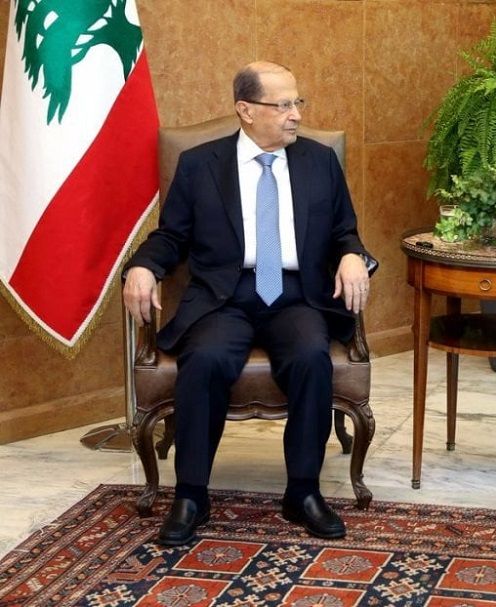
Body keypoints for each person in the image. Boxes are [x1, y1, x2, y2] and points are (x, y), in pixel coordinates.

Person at [123, 61, 377, 546]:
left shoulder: (319, 161)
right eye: (282, 105)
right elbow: (170, 236)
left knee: (311, 357)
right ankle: (191, 495)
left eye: (297, 102)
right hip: (225, 297)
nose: (296, 114)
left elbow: (345, 231)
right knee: (205, 359)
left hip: (296, 295)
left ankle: (303, 491)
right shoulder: (200, 165)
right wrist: (143, 267)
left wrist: (350, 255)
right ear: (246, 110)